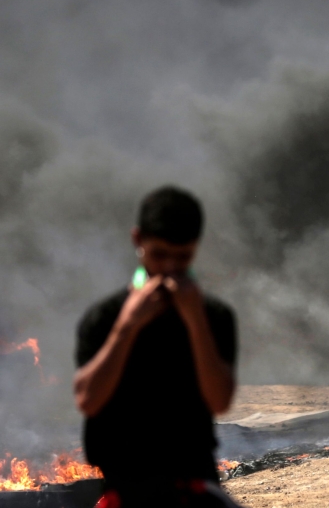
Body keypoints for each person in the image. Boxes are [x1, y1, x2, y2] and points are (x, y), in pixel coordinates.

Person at [74, 186, 241, 507]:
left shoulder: (214, 317)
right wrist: (127, 326)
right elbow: (88, 399)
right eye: (159, 254)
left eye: (183, 257)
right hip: (125, 490)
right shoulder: (105, 317)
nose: (169, 268)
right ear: (138, 240)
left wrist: (195, 320)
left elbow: (219, 400)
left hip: (194, 486)